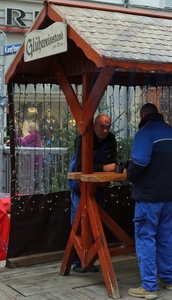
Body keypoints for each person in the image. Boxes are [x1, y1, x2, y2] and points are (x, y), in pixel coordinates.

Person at [126, 103, 172, 299]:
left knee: (145, 238)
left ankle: (149, 286)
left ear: (143, 114)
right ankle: (169, 279)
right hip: (168, 194)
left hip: (148, 195)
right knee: (165, 237)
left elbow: (139, 161)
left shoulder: (146, 132)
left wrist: (130, 175)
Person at [68, 114, 117, 273]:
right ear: (95, 125)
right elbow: (79, 166)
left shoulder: (111, 139)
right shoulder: (82, 139)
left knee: (97, 221)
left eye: (108, 127)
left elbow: (114, 162)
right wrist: (103, 168)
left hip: (99, 186)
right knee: (79, 221)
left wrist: (109, 168)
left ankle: (90, 259)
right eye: (102, 126)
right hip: (80, 186)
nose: (105, 130)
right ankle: (78, 261)